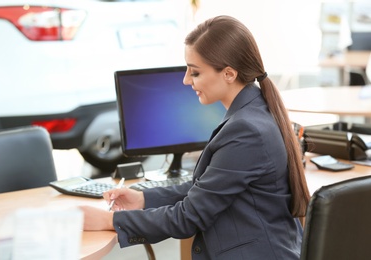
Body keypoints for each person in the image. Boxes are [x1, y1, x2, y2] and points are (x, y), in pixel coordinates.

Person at [80, 15, 310, 259]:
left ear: (229, 74)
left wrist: (110, 220)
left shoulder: (247, 130)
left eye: (195, 72)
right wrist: (144, 198)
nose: (186, 80)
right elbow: (206, 188)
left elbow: (189, 216)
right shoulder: (255, 111)